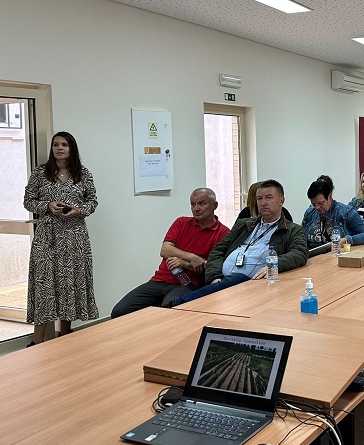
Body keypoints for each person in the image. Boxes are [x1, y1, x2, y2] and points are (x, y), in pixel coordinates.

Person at [168, 180, 308, 306]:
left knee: (235, 278)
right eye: (259, 198)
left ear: (281, 200)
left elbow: (300, 253)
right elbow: (218, 250)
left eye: (269, 198)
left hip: (251, 283)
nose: (263, 203)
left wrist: (274, 264)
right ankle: (178, 305)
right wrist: (214, 277)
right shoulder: (244, 224)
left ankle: (177, 304)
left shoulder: (292, 229)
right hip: (222, 280)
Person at [23, 131, 98, 345]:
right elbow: (28, 201)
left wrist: (78, 210)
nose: (59, 148)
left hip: (75, 237)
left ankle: (64, 337)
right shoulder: (40, 173)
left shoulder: (83, 174)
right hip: (47, 237)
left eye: (64, 144)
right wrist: (47, 205)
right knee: (45, 285)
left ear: (71, 148)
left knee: (69, 284)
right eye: (56, 144)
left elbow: (92, 202)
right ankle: (37, 343)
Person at [111, 188, 230, 317]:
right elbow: (165, 250)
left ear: (215, 205)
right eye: (192, 204)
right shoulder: (181, 222)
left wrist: (184, 264)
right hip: (159, 280)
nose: (196, 208)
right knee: (119, 311)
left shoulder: (223, 233)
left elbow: (209, 267)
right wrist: (190, 257)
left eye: (201, 204)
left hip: (189, 284)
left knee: (166, 314)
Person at [303, 177, 364, 246]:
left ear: (330, 197)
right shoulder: (309, 213)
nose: (317, 207)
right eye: (313, 204)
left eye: (321, 203)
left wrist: (346, 240)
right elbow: (302, 239)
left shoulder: (346, 212)